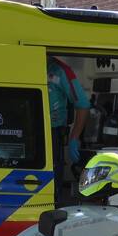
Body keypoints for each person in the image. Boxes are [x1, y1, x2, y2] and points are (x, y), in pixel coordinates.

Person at [47, 56, 90, 201]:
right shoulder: (21, 62)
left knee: (51, 188)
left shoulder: (61, 71)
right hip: (26, 132)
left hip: (53, 135)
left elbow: (83, 104)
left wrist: (74, 137)